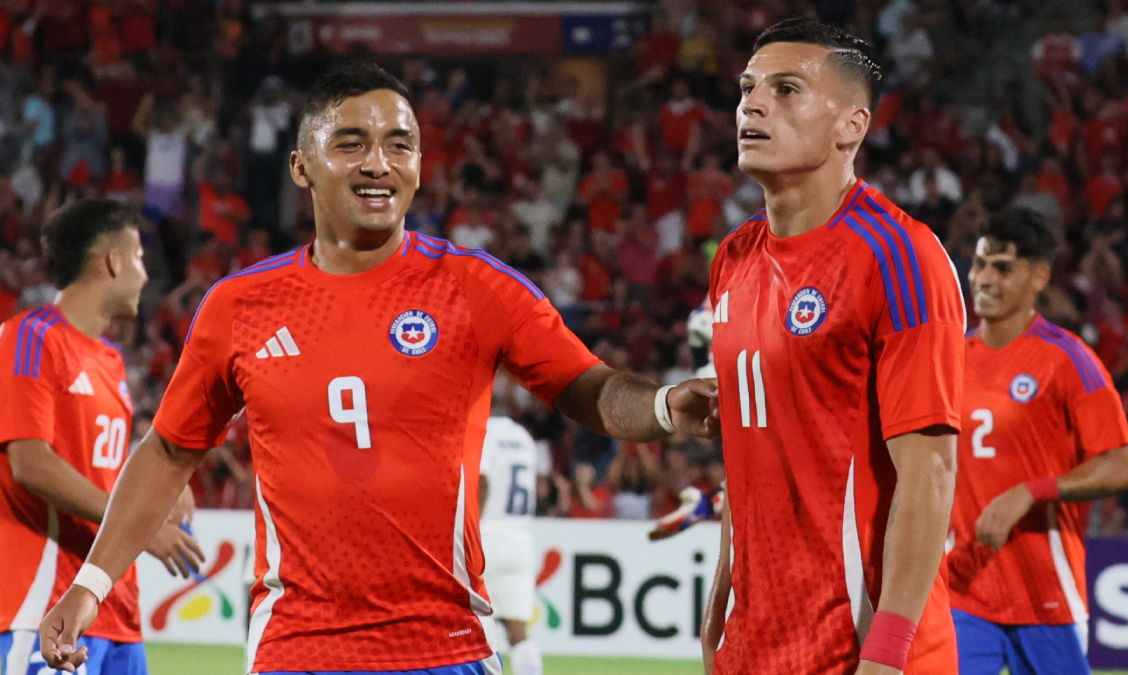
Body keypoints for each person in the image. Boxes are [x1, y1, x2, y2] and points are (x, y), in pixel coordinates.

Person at [39, 62, 718, 675]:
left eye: (400, 144)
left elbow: (589, 388)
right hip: (296, 650)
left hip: (445, 646)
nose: (379, 163)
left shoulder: (477, 287)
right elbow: (168, 450)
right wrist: (90, 585)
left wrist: (663, 407)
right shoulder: (238, 306)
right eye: (351, 143)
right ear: (302, 166)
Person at [701, 19, 966, 675]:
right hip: (755, 644)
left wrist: (889, 653)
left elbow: (929, 474)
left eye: (786, 89)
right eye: (748, 88)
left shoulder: (898, 256)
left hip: (860, 649)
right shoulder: (733, 258)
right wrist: (720, 598)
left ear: (852, 126)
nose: (753, 105)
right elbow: (747, 449)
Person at [0, 199, 201, 675]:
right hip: (42, 605)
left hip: (114, 609)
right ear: (112, 260)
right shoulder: (30, 337)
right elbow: (30, 462)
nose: (145, 276)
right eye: (139, 259)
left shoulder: (110, 360)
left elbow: (98, 461)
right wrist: (140, 527)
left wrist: (159, 484)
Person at [947, 208, 1128, 675]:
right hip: (962, 587)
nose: (984, 279)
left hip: (1045, 595)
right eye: (980, 264)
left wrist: (1030, 492)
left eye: (1002, 268)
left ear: (1039, 277)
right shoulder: (948, 359)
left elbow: (1124, 467)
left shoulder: (1067, 360)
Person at [477, 411, 541, 675]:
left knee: (470, 627)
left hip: (486, 538)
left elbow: (482, 482)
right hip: (520, 541)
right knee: (518, 632)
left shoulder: (483, 432)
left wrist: (469, 530)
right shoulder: (523, 437)